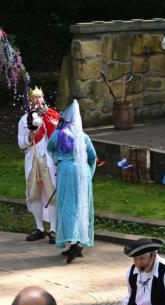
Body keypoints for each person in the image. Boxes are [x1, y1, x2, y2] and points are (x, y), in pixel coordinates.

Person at [47, 100, 97, 264]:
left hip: (67, 172)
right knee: (81, 205)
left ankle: (74, 243)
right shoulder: (83, 136)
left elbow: (50, 148)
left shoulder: (58, 134)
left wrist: (58, 160)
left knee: (67, 205)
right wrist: (89, 174)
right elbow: (92, 157)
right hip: (83, 172)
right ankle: (79, 241)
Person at [18, 86, 60, 244]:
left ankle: (54, 230)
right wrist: (30, 136)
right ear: (30, 101)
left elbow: (61, 138)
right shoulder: (24, 119)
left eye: (40, 97)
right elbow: (21, 143)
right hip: (32, 160)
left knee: (52, 194)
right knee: (33, 194)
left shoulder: (53, 116)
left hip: (49, 160)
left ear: (43, 98)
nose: (37, 100)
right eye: (34, 98)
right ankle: (39, 228)